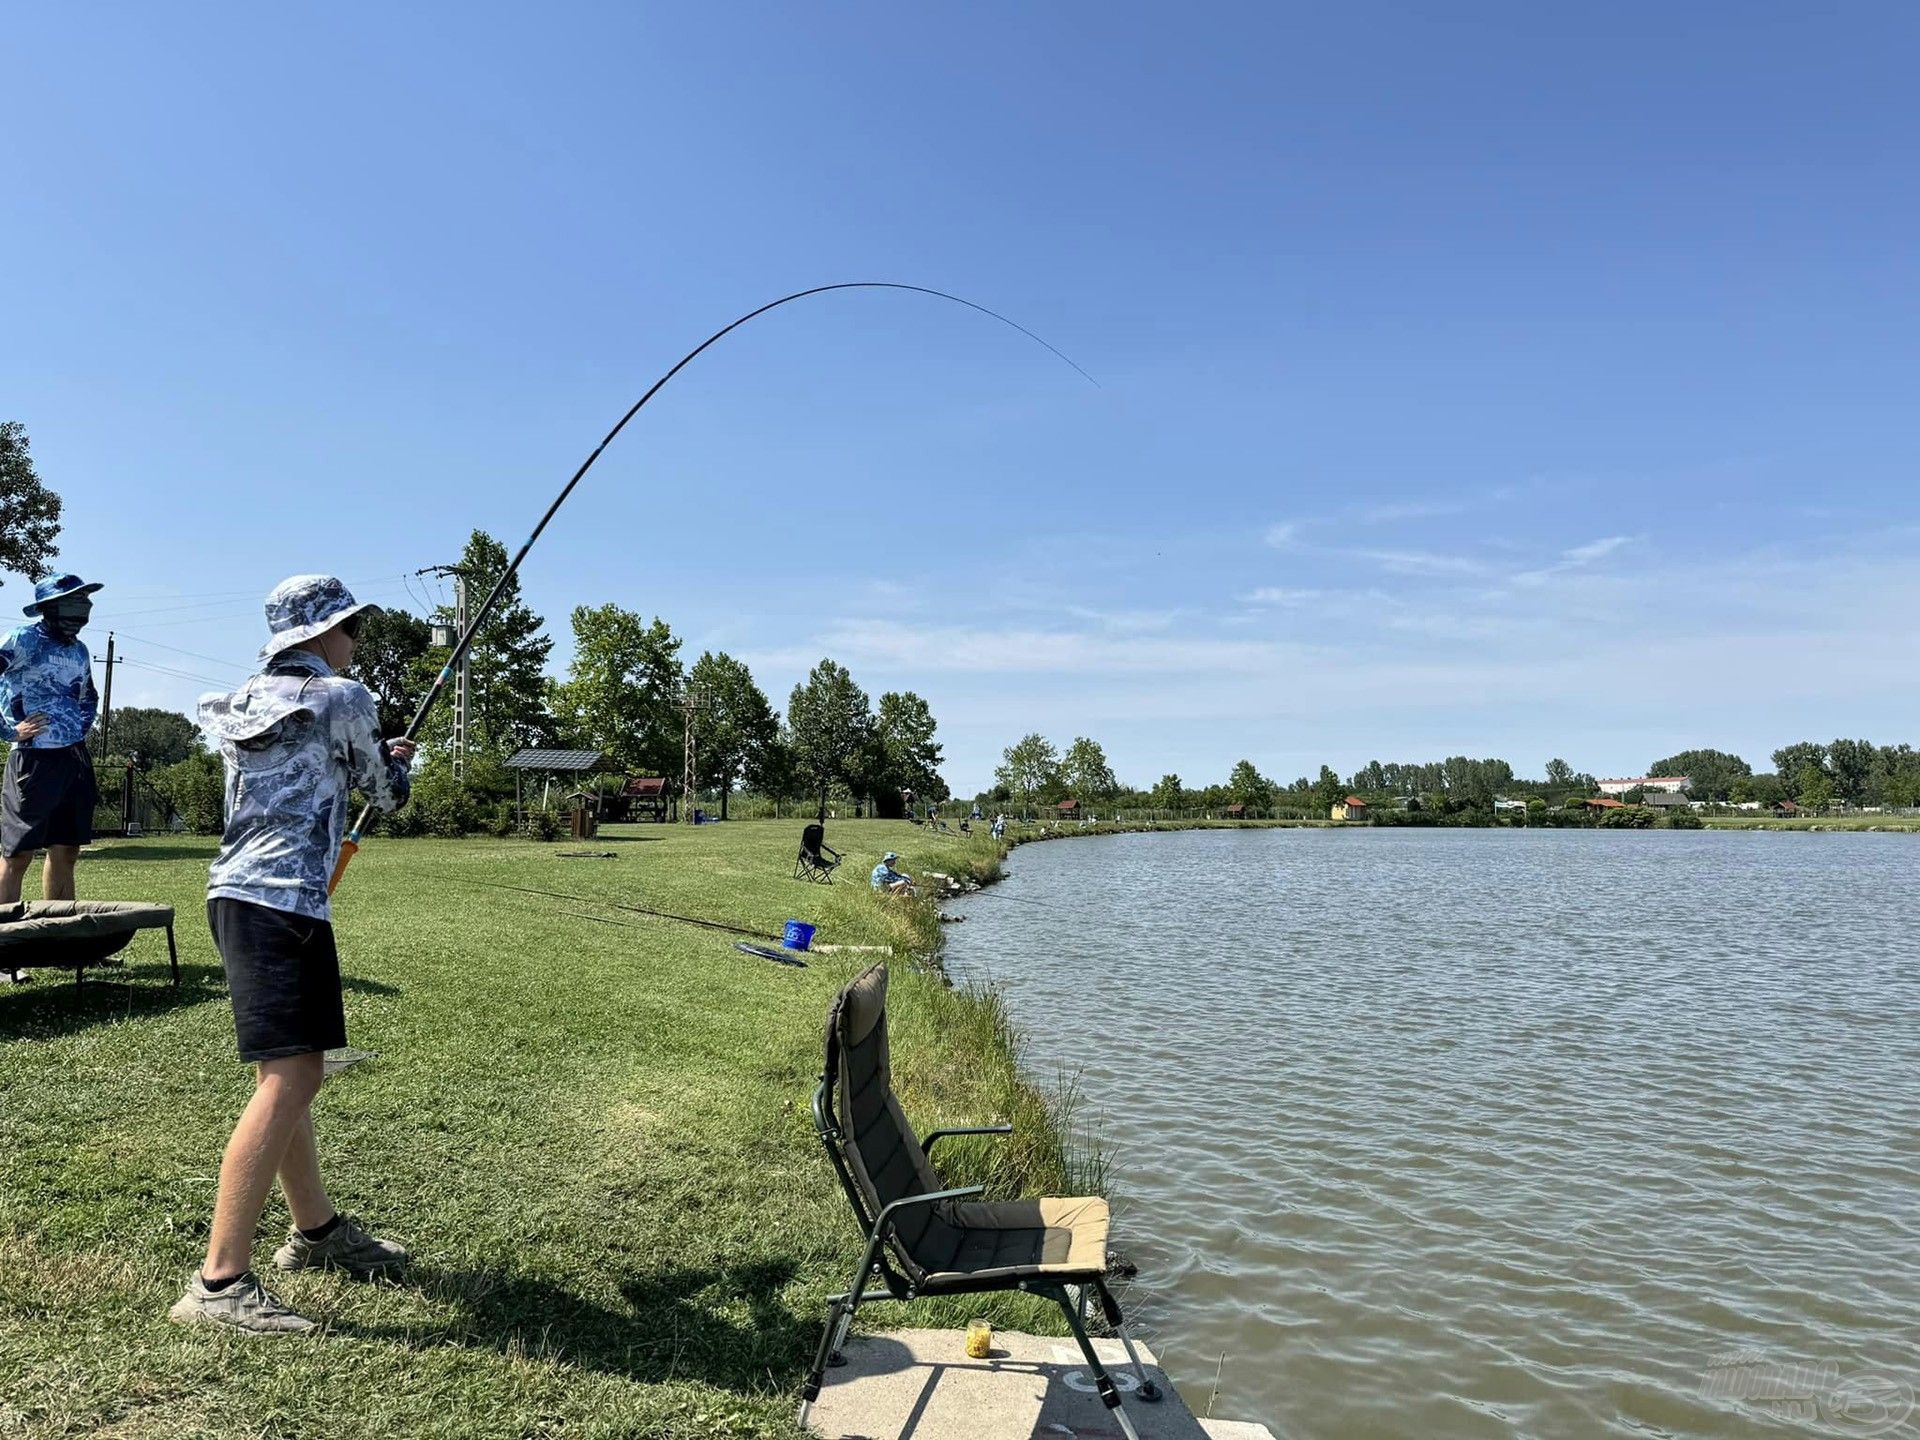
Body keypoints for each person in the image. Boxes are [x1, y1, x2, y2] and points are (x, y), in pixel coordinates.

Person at [169, 576, 416, 1334]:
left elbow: (295, 773)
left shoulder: (245, 698)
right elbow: (390, 794)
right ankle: (218, 1283)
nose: (357, 641)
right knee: (296, 1073)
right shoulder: (345, 696)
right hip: (286, 901)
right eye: (352, 627)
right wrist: (394, 760)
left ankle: (315, 1232)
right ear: (325, 630)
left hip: (232, 894)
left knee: (288, 1066)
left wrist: (366, 756)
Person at [1, 574, 105, 982]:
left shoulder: (79, 649)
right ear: (49, 607)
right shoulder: (21, 640)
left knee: (66, 851)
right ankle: (5, 954)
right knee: (17, 855)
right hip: (33, 760)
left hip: (73, 758)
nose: (81, 612)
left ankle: (65, 946)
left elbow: (88, 694)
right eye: (72, 603)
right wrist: (10, 731)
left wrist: (79, 727)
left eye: (84, 604)